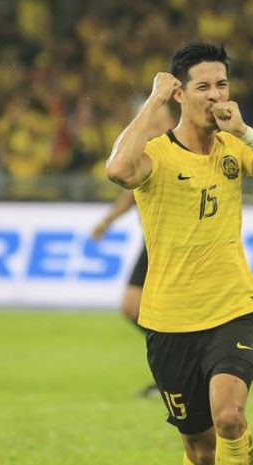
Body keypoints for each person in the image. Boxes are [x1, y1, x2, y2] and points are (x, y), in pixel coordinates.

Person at [106, 42, 253, 465]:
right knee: (200, 449)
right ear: (180, 94)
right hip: (169, 318)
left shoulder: (235, 146)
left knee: (230, 417)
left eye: (222, 84)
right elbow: (118, 170)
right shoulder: (156, 154)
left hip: (232, 305)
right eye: (203, 87)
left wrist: (246, 132)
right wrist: (153, 99)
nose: (216, 95)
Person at [90, 103, 175, 397]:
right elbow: (131, 190)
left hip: (175, 245)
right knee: (132, 307)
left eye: (156, 122)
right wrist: (108, 220)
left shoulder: (177, 150)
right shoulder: (146, 153)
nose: (151, 128)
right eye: (148, 122)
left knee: (167, 312)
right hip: (151, 242)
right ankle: (176, 367)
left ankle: (176, 375)